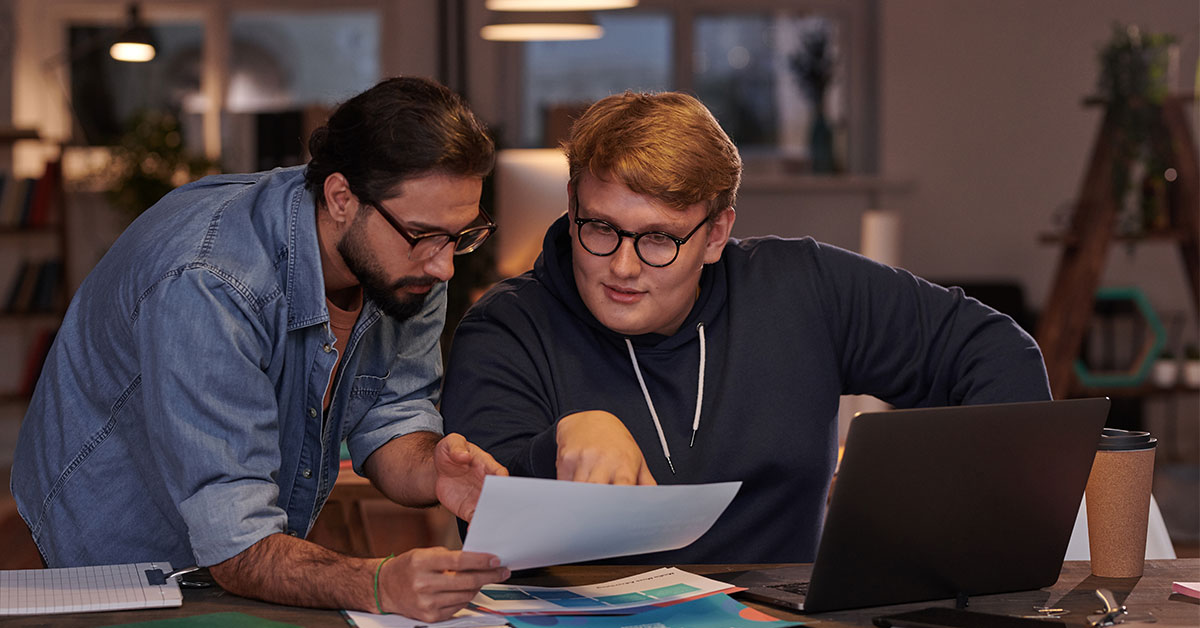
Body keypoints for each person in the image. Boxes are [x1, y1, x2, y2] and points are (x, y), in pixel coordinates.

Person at [440, 91, 1052, 564]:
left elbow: (995, 352)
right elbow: (485, 521)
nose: (622, 266)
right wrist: (563, 442)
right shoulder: (506, 328)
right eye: (600, 228)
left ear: (715, 233)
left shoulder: (803, 286)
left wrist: (964, 523)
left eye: (658, 238)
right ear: (571, 204)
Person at [12, 76, 511, 621]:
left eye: (462, 235)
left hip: (237, 540)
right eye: (423, 236)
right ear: (342, 198)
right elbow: (236, 544)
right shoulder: (210, 283)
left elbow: (390, 414)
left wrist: (435, 472)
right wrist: (376, 583)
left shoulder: (414, 262)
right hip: (114, 534)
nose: (444, 267)